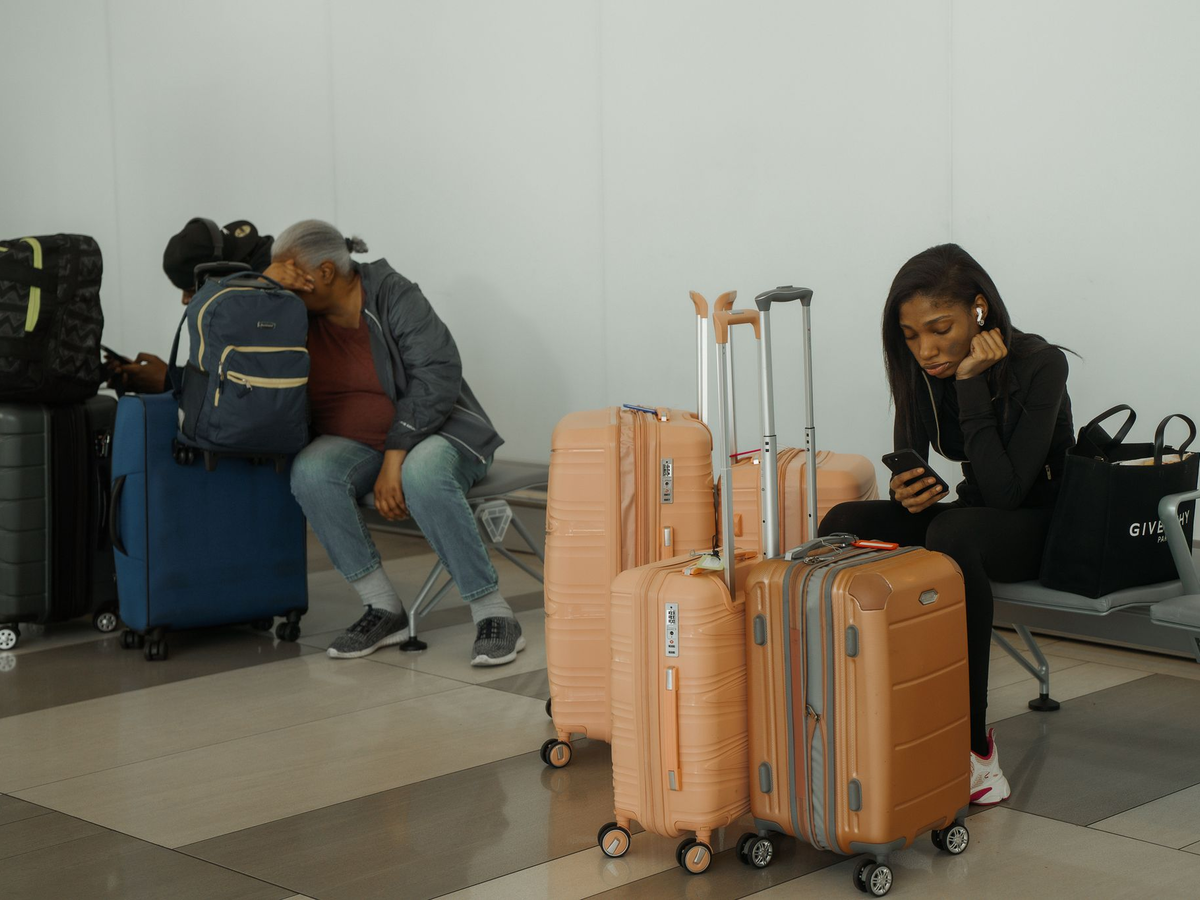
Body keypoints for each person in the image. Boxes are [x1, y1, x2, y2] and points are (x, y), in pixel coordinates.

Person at [818, 243, 1074, 806]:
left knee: (952, 535)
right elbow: (910, 458)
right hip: (974, 519)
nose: (926, 349)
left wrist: (970, 381)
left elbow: (1009, 493)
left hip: (1042, 527)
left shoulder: (1042, 364)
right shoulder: (920, 369)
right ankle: (844, 717)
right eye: (911, 336)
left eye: (939, 329)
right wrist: (907, 491)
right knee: (843, 521)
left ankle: (975, 751)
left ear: (978, 309)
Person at [264, 219, 521, 666]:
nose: (286, 289)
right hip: (357, 445)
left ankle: (493, 613)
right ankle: (383, 608)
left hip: (438, 434)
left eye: (291, 277)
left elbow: (437, 375)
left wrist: (395, 457)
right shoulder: (294, 312)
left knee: (423, 474)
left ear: (325, 272)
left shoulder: (393, 294)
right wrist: (264, 284)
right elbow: (241, 322)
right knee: (311, 471)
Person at [106, 218, 273, 393]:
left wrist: (172, 381)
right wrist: (158, 378)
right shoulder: (247, 282)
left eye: (191, 289)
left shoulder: (268, 296)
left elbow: (252, 386)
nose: (185, 300)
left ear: (219, 270)